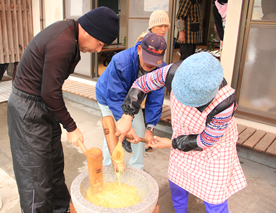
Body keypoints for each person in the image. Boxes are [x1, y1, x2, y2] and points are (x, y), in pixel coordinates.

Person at [7, 7, 119, 213]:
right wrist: (71, 126)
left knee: (53, 166)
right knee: (36, 177)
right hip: (28, 110)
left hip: (43, 105)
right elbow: (50, 92)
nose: (98, 50)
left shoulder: (70, 34)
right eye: (100, 43)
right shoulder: (64, 42)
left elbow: (49, 92)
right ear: (89, 31)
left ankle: (61, 209)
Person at [116, 52, 247, 212]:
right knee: (177, 182)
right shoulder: (175, 70)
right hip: (184, 133)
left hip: (214, 148)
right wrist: (127, 116)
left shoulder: (224, 104)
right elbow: (142, 84)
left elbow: (205, 141)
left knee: (214, 196)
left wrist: (171, 143)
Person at [95, 33, 167, 170]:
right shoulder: (120, 61)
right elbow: (115, 97)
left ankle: (137, 167)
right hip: (108, 95)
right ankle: (108, 167)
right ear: (139, 49)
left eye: (155, 60)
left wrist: (150, 129)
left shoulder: (160, 68)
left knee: (140, 128)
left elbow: (156, 99)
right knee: (112, 131)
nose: (151, 64)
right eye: (148, 58)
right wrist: (126, 125)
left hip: (134, 100)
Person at [122, 9, 170, 153]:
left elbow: (156, 97)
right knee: (128, 115)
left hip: (146, 87)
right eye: (159, 25)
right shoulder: (142, 41)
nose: (163, 29)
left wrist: (151, 127)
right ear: (151, 26)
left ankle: (142, 137)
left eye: (166, 26)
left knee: (142, 113)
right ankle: (127, 138)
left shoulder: (160, 45)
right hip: (131, 87)